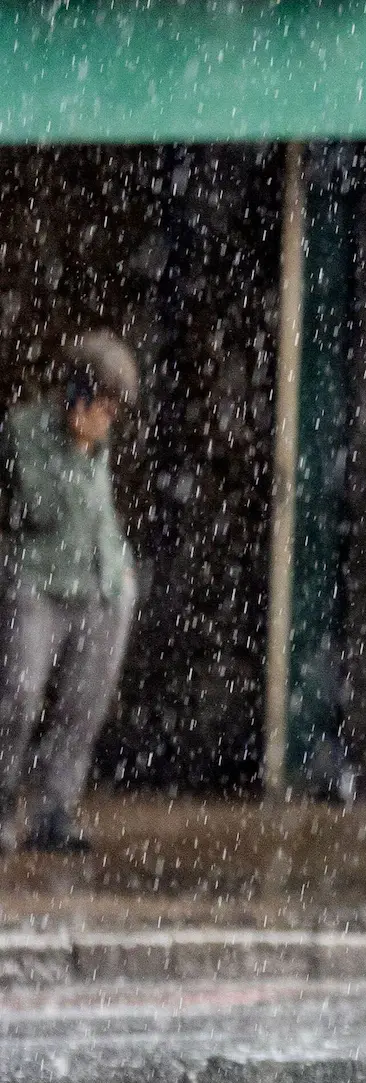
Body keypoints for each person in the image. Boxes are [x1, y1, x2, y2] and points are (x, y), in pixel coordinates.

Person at [0, 330, 139, 853]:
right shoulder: (23, 430)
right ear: (77, 395)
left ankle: (54, 810)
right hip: (38, 579)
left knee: (84, 706)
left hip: (102, 584)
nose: (109, 419)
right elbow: (40, 507)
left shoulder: (97, 439)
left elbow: (97, 511)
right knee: (19, 695)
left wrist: (122, 577)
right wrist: (77, 449)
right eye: (103, 405)